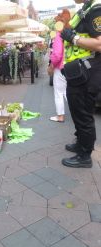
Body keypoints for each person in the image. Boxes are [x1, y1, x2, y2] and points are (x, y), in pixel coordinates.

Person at [60, 0, 101, 168]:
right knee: (77, 111)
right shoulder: (85, 9)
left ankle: (85, 155)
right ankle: (80, 143)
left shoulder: (96, 9)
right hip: (79, 73)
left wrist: (73, 38)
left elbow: (99, 43)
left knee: (83, 113)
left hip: (88, 73)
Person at [48, 9, 71, 123]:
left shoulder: (59, 35)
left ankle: (60, 116)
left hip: (60, 68)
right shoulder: (70, 33)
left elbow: (57, 55)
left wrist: (51, 66)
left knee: (59, 92)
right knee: (67, 91)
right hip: (71, 66)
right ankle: (75, 112)